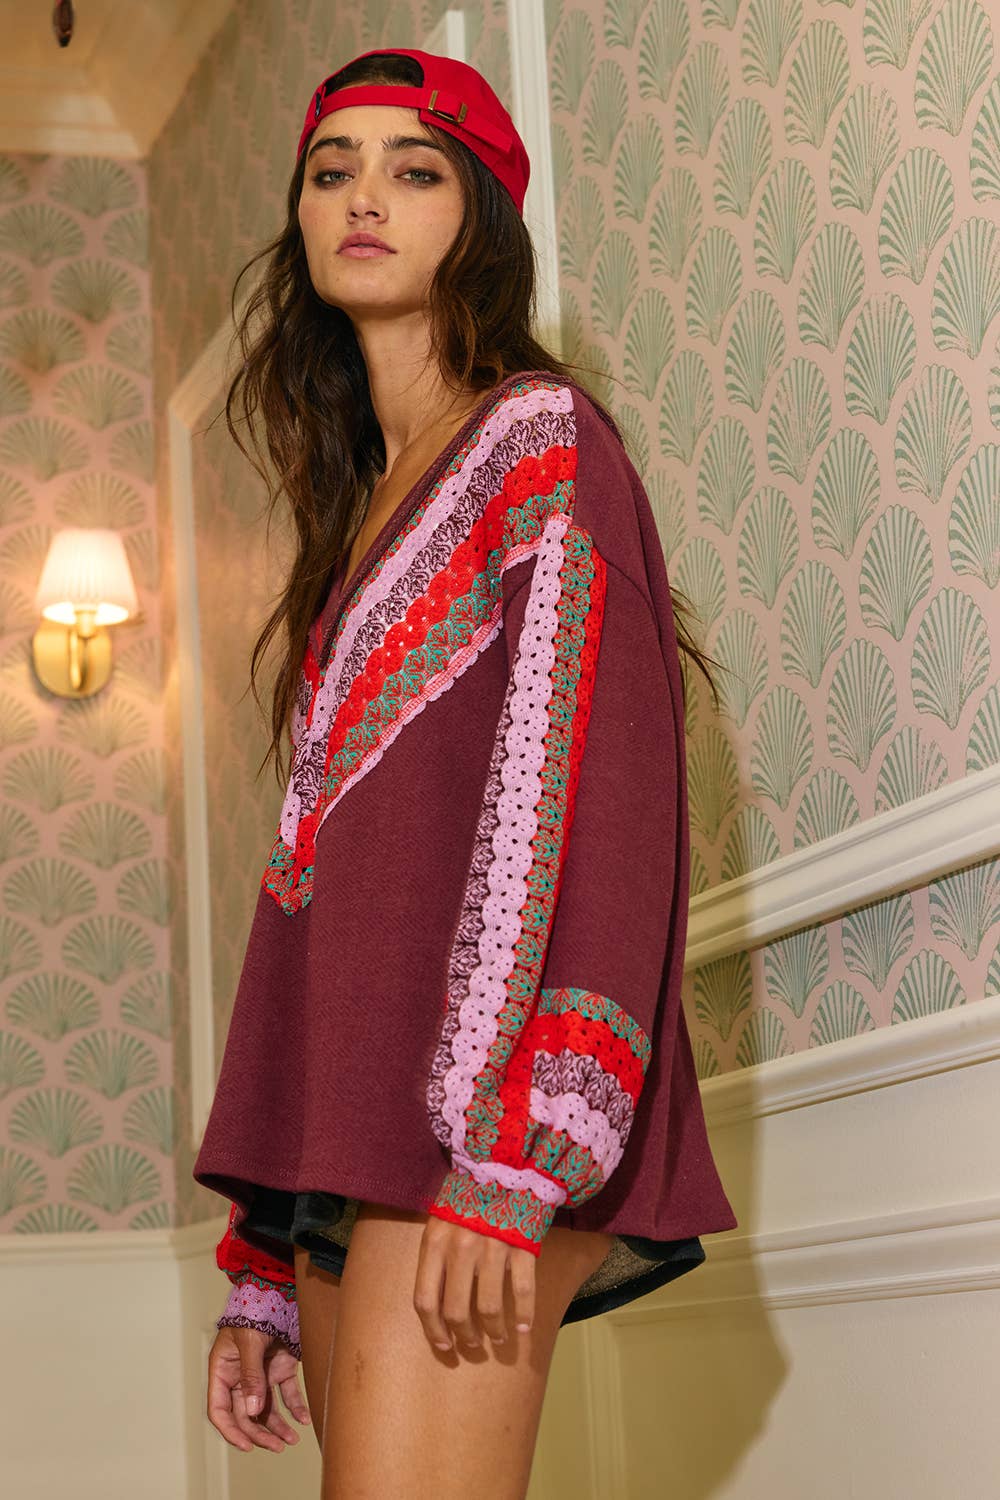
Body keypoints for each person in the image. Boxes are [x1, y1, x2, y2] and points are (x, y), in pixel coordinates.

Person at [193, 46, 737, 1497]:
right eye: (332, 171)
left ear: (481, 212)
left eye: (414, 169)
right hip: (350, 1139)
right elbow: (320, 895)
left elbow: (597, 791)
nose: (364, 197)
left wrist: (517, 1154)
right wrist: (264, 1256)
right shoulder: (358, 514)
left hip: (480, 1131)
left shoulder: (537, 443)